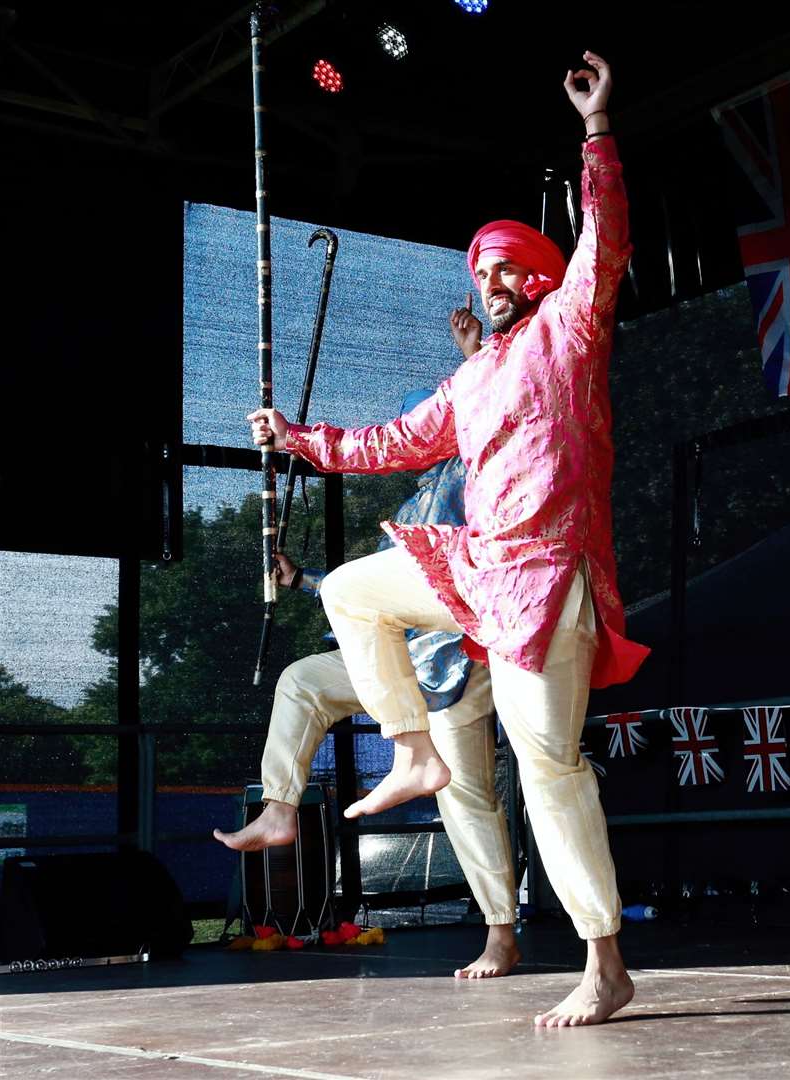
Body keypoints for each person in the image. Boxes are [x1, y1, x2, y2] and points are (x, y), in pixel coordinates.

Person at [247, 51, 642, 1027]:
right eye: (483, 269)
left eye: (511, 266)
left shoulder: (571, 333)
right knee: (351, 591)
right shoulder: (472, 380)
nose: (494, 280)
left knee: (547, 763)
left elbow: (607, 240)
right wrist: (297, 438)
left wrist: (595, 133)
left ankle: (604, 959)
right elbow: (392, 442)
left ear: (542, 279)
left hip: (551, 581)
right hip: (480, 570)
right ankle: (412, 751)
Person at [216, 392, 519, 980]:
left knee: (467, 800)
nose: (426, 436)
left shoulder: (484, 470)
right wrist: (302, 578)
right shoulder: (411, 506)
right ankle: (280, 809)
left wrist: (475, 353)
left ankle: (501, 933)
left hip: (454, 666)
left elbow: (495, 389)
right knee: (303, 680)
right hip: (396, 665)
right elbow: (369, 590)